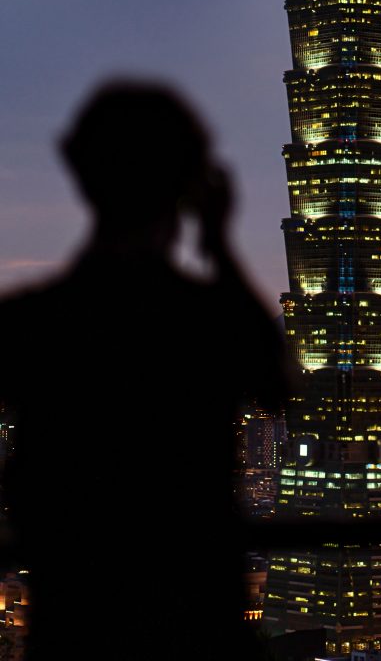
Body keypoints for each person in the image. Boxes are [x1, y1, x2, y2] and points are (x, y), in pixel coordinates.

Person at [0, 79, 292, 660]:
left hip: (76, 625)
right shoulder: (206, 322)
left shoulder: (31, 323)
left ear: (81, 176)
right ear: (188, 187)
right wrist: (220, 245)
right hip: (198, 624)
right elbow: (279, 383)